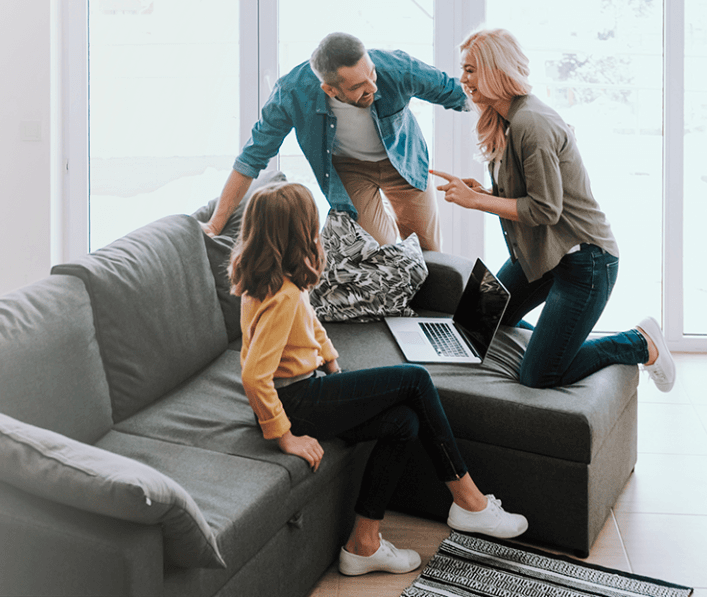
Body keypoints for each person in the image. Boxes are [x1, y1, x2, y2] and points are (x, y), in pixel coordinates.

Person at [229, 181, 528, 576]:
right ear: (297, 232)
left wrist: (335, 369)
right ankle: (468, 501)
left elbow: (311, 327)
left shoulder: (277, 281)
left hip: (308, 390)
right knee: (415, 380)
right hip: (297, 402)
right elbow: (253, 374)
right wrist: (284, 435)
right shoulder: (280, 294)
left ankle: (363, 546)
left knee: (403, 423)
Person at [429, 28, 676, 391]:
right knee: (474, 321)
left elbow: (545, 210)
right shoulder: (503, 118)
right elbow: (525, 193)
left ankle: (639, 342)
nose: (463, 79)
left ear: (496, 70)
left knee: (539, 376)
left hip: (584, 261)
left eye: (470, 70)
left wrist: (477, 201)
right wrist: (481, 191)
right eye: (463, 70)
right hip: (543, 251)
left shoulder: (532, 123)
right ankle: (551, 343)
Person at [203, 32, 469, 251]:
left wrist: (506, 106)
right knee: (383, 254)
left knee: (429, 252)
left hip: (403, 162)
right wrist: (214, 225)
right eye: (358, 87)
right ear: (330, 90)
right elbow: (251, 159)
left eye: (372, 75)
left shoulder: (397, 68)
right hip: (350, 170)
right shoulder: (292, 93)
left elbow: (457, 92)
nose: (373, 88)